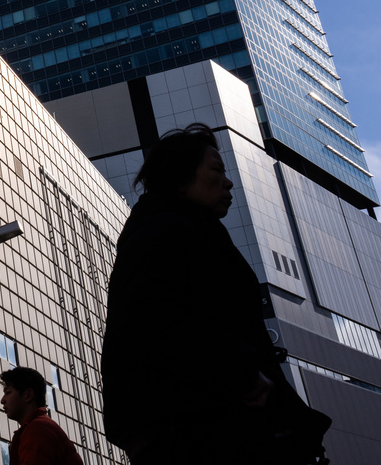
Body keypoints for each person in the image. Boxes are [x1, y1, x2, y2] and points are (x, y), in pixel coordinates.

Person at [100, 123, 329, 465]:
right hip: (199, 426)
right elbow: (154, 322)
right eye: (216, 169)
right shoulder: (165, 232)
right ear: (180, 178)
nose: (228, 181)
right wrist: (242, 372)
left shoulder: (186, 231)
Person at [0, 367, 84, 465]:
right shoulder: (42, 427)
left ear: (28, 395)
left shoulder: (37, 430)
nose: (2, 400)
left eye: (8, 392)